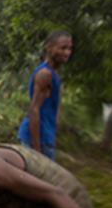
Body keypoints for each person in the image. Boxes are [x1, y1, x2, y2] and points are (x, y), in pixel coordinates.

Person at [17, 31, 73, 160]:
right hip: (38, 140)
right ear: (49, 47)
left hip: (46, 138)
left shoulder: (53, 74)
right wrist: (37, 150)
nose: (67, 53)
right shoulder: (45, 74)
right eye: (63, 48)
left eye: (70, 48)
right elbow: (34, 109)